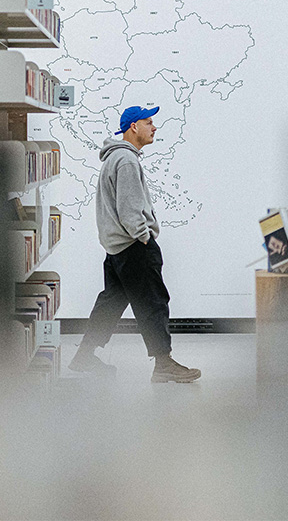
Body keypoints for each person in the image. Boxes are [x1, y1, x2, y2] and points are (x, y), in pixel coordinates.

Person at [69, 105, 201, 383]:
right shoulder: (126, 161)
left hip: (116, 248)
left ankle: (84, 355)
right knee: (153, 302)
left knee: (110, 303)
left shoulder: (114, 158)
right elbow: (129, 210)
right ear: (133, 127)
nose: (154, 128)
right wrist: (144, 236)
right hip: (133, 247)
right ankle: (164, 363)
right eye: (148, 122)